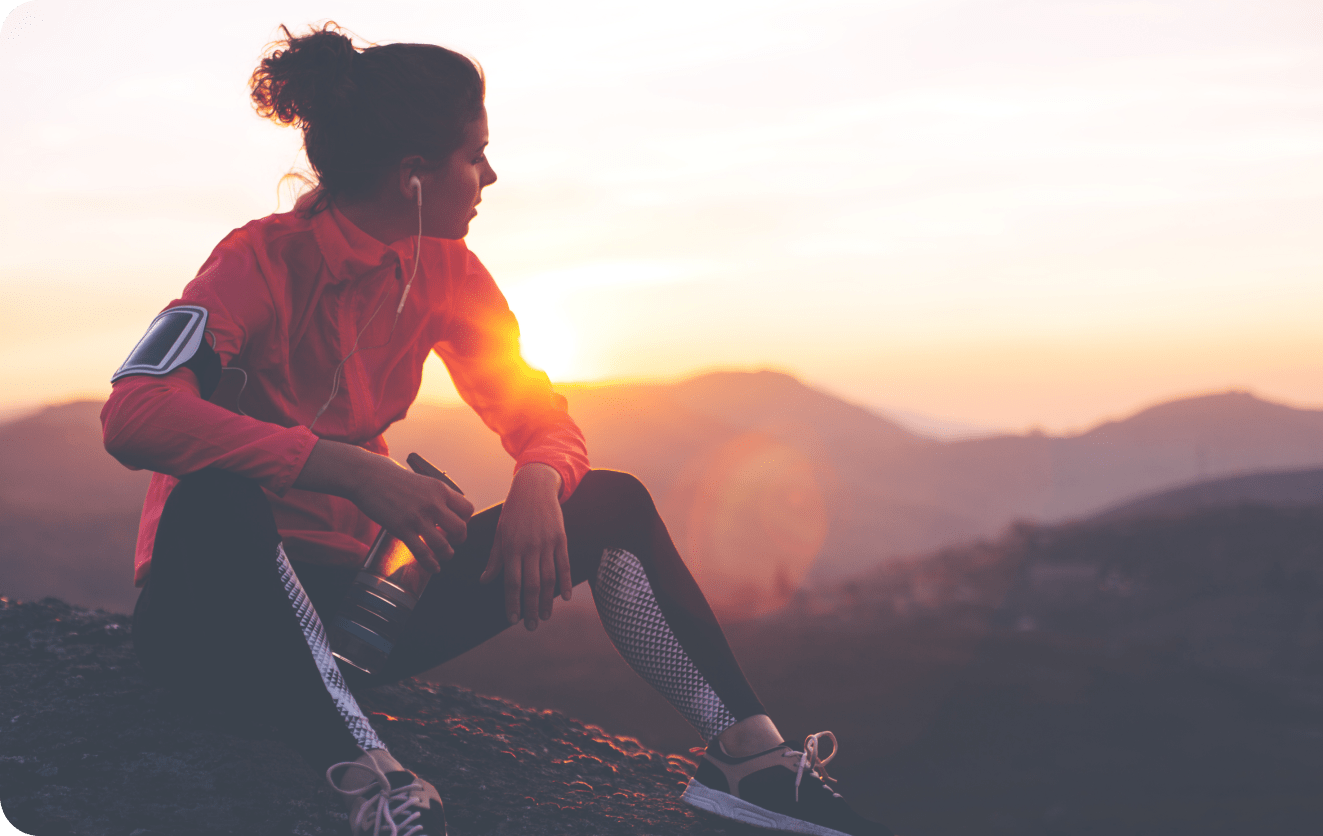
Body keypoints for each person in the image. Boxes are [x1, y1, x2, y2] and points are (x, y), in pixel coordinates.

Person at [100, 22, 892, 836]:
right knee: (218, 495)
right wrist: (344, 469)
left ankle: (751, 763)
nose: (489, 174)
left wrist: (541, 478)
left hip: (358, 621)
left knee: (612, 503)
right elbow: (133, 413)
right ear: (413, 175)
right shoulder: (255, 264)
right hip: (217, 626)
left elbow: (539, 411)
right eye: (474, 155)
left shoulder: (445, 270)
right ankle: (374, 786)